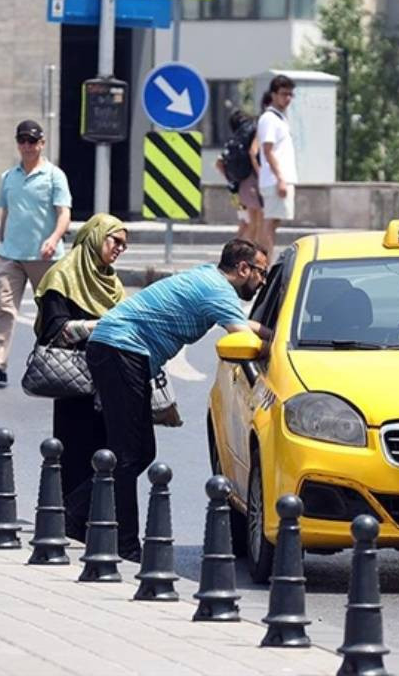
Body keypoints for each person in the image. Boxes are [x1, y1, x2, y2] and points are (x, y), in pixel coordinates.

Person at [80, 239, 273, 560]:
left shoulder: (211, 280)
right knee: (128, 454)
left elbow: (248, 324)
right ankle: (124, 544)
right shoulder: (217, 290)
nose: (262, 282)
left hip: (120, 351)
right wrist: (279, 348)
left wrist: (275, 333)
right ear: (243, 268)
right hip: (120, 350)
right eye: (261, 273)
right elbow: (243, 336)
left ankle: (73, 515)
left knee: (140, 452)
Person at [31, 214, 128, 541]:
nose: (119, 250)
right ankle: (69, 522)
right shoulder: (62, 276)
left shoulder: (112, 283)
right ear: (95, 236)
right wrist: (97, 327)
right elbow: (54, 330)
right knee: (74, 451)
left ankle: (94, 521)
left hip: (108, 381)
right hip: (73, 382)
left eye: (124, 246)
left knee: (107, 452)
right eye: (115, 241)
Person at [0, 120, 72, 387]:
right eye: (22, 141)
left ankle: (54, 364)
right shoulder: (9, 177)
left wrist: (53, 238)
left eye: (32, 141)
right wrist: (2, 241)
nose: (27, 146)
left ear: (41, 143)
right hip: (11, 256)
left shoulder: (54, 176)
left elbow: (64, 213)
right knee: (3, 309)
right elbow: (5, 212)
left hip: (46, 258)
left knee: (51, 313)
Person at [257, 75, 298, 258]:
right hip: (275, 179)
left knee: (274, 222)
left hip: (281, 178)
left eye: (290, 94)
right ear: (273, 94)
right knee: (270, 222)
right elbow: (267, 150)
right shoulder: (269, 119)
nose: (287, 98)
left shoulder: (280, 118)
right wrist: (280, 178)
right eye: (283, 94)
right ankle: (264, 264)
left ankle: (265, 261)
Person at [215, 110, 260, 242]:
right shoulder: (247, 139)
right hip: (248, 187)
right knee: (251, 223)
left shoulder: (233, 141)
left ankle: (236, 248)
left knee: (244, 222)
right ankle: (239, 251)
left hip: (234, 189)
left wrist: (230, 178)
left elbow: (218, 163)